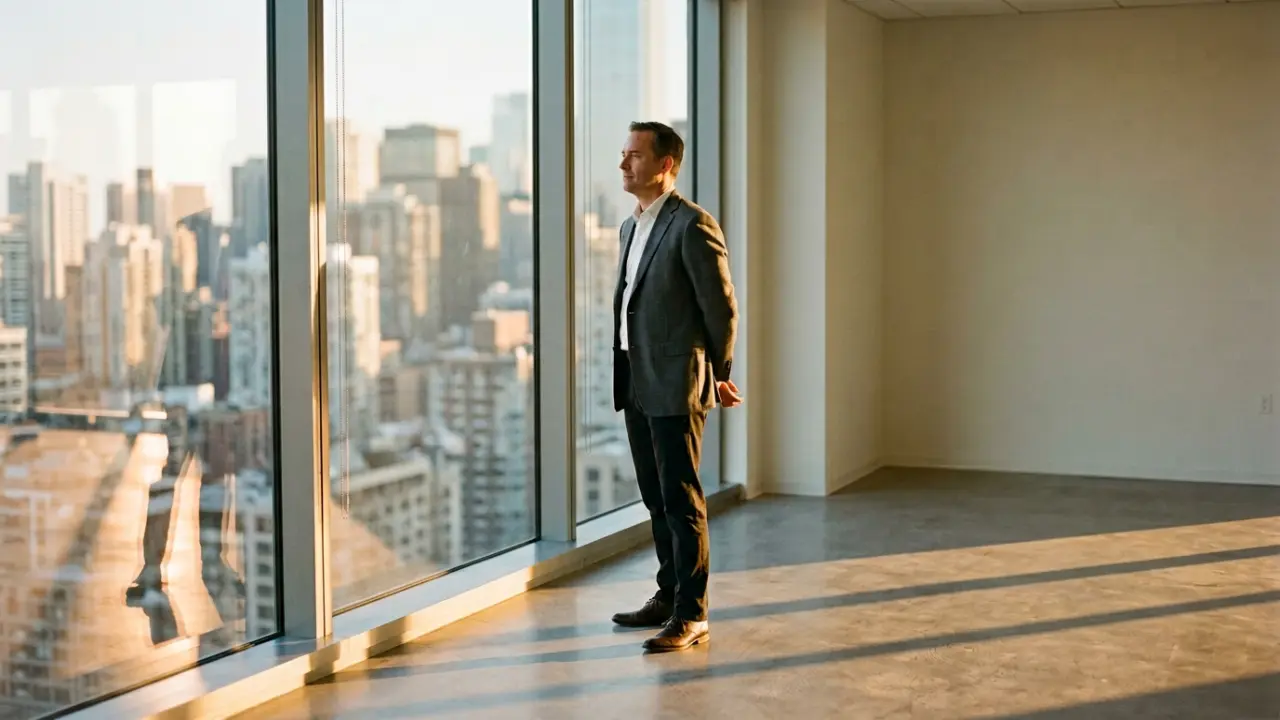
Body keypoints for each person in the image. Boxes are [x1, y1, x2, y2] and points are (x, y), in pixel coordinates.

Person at [610, 121, 741, 652]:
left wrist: (720, 373)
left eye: (635, 156)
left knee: (682, 498)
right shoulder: (629, 226)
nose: (624, 165)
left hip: (677, 380)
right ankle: (667, 595)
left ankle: (693, 613)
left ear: (665, 165)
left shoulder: (692, 226)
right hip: (635, 378)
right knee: (654, 497)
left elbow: (721, 307)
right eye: (623, 154)